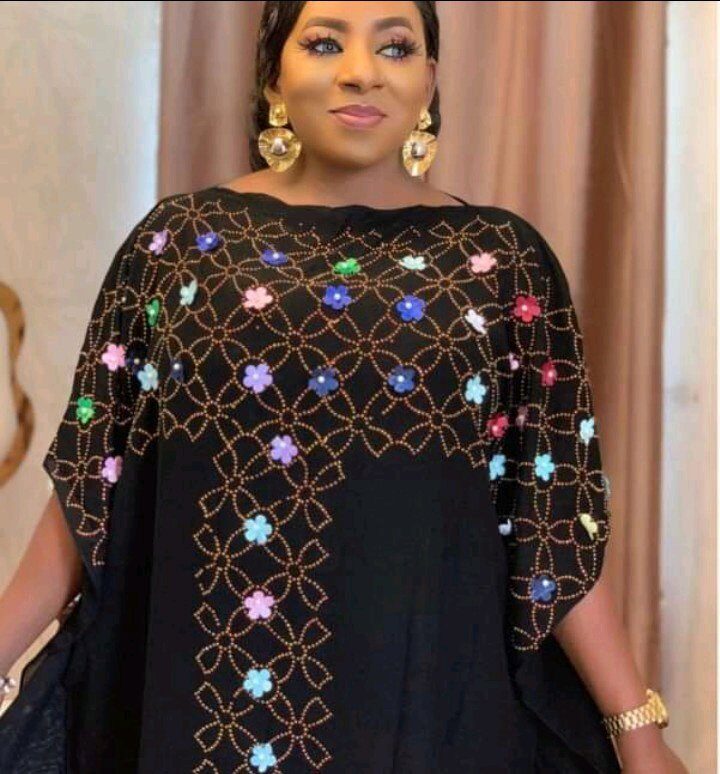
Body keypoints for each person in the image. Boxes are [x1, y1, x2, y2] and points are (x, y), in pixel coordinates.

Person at [0, 2, 688, 772]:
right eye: (325, 42)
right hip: (211, 703)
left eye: (396, 47)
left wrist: (637, 728)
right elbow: (96, 477)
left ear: (430, 80)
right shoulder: (180, 246)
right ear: (274, 76)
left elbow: (552, 514)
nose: (362, 71)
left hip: (432, 713)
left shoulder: (501, 263)